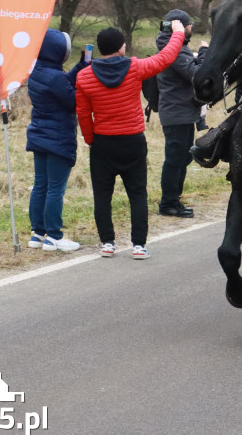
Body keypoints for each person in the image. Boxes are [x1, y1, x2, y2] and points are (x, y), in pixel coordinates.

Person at [76, 23, 185, 260]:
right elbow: (165, 58)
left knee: (102, 195)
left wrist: (90, 139)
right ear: (120, 48)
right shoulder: (135, 68)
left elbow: (83, 114)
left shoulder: (84, 76)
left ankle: (107, 243)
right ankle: (139, 246)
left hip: (103, 143)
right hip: (133, 141)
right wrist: (178, 33)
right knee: (137, 193)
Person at [26, 29, 87, 252]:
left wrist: (79, 68)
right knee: (55, 189)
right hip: (58, 138)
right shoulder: (56, 77)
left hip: (40, 136)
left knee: (40, 185)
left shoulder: (38, 71)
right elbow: (72, 100)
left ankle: (38, 234)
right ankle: (54, 236)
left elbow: (62, 85)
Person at [155, 10, 207, 219]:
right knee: (175, 159)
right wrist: (204, 53)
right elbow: (196, 74)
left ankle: (174, 199)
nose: (192, 28)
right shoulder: (174, 48)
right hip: (177, 112)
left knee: (182, 157)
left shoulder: (176, 47)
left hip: (181, 111)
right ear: (182, 26)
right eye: (190, 24)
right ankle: (168, 203)